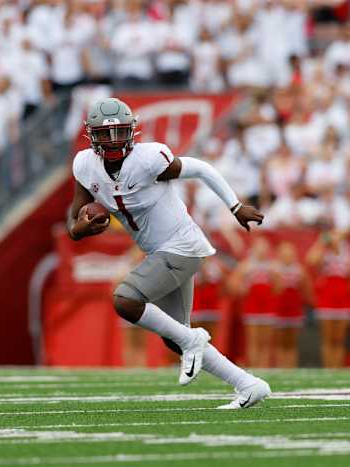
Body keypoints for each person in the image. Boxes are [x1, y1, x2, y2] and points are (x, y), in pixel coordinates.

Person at [68, 98, 270, 409]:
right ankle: (248, 384)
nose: (112, 141)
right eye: (105, 135)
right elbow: (74, 224)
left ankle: (193, 341)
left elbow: (201, 169)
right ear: (91, 136)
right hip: (160, 252)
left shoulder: (148, 159)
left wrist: (236, 206)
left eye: (119, 132)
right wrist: (86, 226)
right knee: (174, 338)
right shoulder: (85, 165)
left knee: (126, 299)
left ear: (132, 131)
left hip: (183, 246)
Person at [306, 230, 350, 368]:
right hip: (326, 300)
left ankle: (337, 368)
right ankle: (328, 368)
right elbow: (310, 260)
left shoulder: (348, 253)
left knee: (339, 339)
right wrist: (322, 242)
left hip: (343, 300)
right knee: (327, 339)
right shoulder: (324, 253)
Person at [229, 237, 276, 368]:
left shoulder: (272, 266)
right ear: (254, 249)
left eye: (264, 247)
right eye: (260, 247)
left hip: (267, 306)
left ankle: (264, 367)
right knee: (253, 340)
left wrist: (275, 278)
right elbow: (233, 284)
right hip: (252, 306)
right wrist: (241, 287)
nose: (262, 250)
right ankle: (255, 367)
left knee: (266, 341)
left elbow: (278, 289)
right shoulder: (246, 265)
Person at [272, 241, 312, 368]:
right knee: (279, 342)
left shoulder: (299, 269)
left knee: (292, 342)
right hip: (279, 309)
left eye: (290, 253)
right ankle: (281, 366)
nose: (287, 256)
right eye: (285, 253)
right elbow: (274, 290)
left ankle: (291, 367)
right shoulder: (274, 269)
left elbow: (306, 290)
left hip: (294, 310)